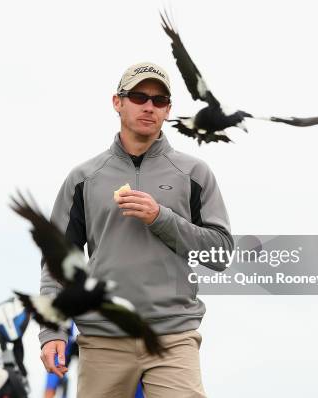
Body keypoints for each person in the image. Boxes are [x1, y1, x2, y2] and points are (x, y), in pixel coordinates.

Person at [38, 61, 233, 397]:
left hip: (173, 337)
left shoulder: (195, 173)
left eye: (159, 101)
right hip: (102, 338)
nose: (149, 106)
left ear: (168, 110)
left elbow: (220, 253)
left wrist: (162, 218)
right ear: (118, 102)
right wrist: (53, 331)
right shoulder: (84, 178)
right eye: (139, 96)